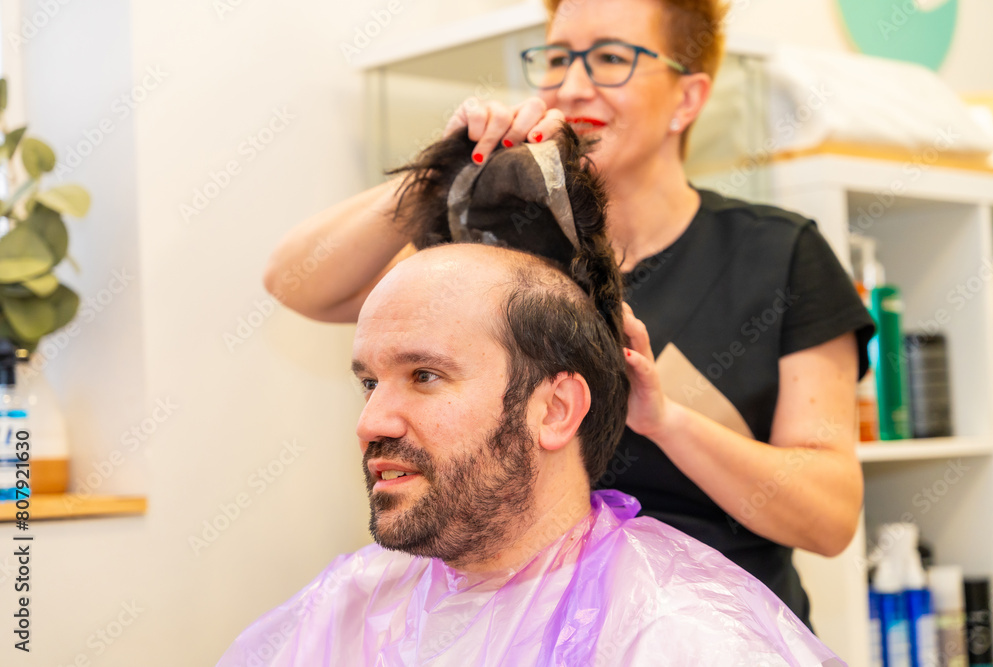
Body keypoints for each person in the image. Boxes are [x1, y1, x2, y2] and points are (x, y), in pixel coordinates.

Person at [262, 0, 874, 624]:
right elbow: (299, 283)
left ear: (688, 98)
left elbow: (828, 518)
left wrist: (665, 421)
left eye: (610, 58)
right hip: (518, 632)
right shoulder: (502, 248)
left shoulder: (777, 254)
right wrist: (441, 171)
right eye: (557, 59)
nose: (573, 86)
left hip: (716, 635)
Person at [220, 238, 844, 666]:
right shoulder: (356, 605)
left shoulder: (676, 634)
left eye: (425, 376)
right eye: (368, 383)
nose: (370, 422)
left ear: (554, 410)